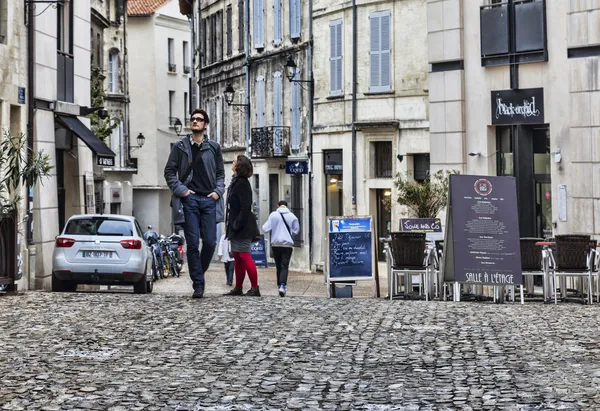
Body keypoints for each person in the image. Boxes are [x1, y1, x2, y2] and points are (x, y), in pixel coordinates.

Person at [164, 108, 225, 298]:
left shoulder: (214, 147)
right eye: (193, 119)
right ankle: (198, 284)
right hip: (189, 199)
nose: (195, 122)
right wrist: (181, 190)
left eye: (199, 119)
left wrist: (217, 192)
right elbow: (169, 171)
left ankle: (199, 272)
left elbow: (220, 174)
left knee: (210, 241)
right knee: (192, 244)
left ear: (205, 124)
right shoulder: (180, 146)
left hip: (208, 200)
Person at [223, 155, 260, 297]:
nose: (233, 163)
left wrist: (237, 223)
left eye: (234, 161)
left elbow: (245, 206)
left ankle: (255, 287)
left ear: (240, 165)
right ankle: (238, 287)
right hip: (235, 225)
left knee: (244, 255)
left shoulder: (242, 183)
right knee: (237, 256)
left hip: (242, 226)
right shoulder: (236, 181)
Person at [262, 200, 299, 297]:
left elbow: (265, 228)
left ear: (277, 205)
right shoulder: (292, 216)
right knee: (284, 266)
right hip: (287, 245)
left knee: (278, 266)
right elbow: (296, 230)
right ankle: (283, 285)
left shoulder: (273, 215)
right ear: (287, 206)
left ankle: (279, 285)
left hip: (276, 244)